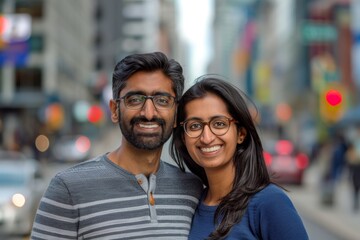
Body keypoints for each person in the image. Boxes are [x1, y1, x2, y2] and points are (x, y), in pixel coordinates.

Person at [31, 52, 203, 239]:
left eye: (162, 100)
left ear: (176, 113)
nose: (148, 113)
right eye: (135, 100)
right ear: (114, 110)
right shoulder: (68, 189)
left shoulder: (192, 190)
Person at [170, 76, 309, 239]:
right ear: (184, 138)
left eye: (219, 124)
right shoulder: (189, 205)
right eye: (194, 126)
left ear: (241, 134)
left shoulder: (269, 203)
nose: (206, 137)